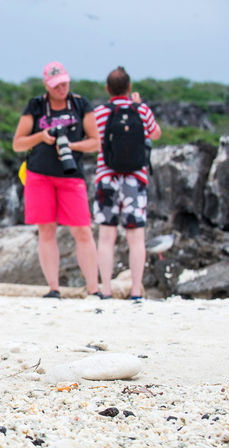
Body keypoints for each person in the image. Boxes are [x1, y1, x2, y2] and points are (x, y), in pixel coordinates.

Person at [12, 61, 102, 299]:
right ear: (46, 85)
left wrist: (72, 146)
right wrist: (41, 136)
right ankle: (53, 288)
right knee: (46, 229)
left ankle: (94, 288)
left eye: (64, 83)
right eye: (55, 85)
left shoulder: (80, 104)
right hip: (39, 174)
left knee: (82, 230)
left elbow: (95, 142)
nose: (61, 88)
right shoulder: (36, 105)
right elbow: (17, 143)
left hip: (71, 176)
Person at [93, 66, 162, 300]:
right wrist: (139, 104)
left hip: (106, 177)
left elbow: (93, 141)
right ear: (129, 88)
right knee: (136, 237)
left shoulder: (100, 113)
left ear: (107, 89)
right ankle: (135, 291)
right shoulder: (141, 110)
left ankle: (106, 290)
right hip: (135, 178)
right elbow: (156, 134)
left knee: (106, 235)